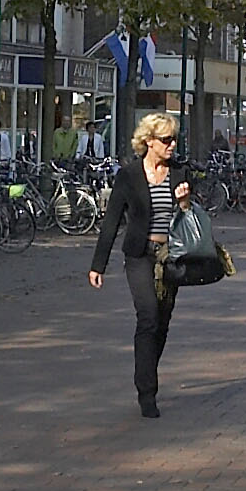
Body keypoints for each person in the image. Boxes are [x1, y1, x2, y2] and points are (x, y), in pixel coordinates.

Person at [87, 112, 192, 419]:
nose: (172, 145)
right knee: (147, 315)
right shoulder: (129, 175)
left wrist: (184, 203)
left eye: (174, 139)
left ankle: (148, 367)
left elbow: (189, 220)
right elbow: (111, 222)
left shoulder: (179, 172)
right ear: (148, 141)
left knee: (162, 320)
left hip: (170, 255)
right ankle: (147, 391)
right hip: (139, 254)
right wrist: (98, 265)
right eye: (166, 139)